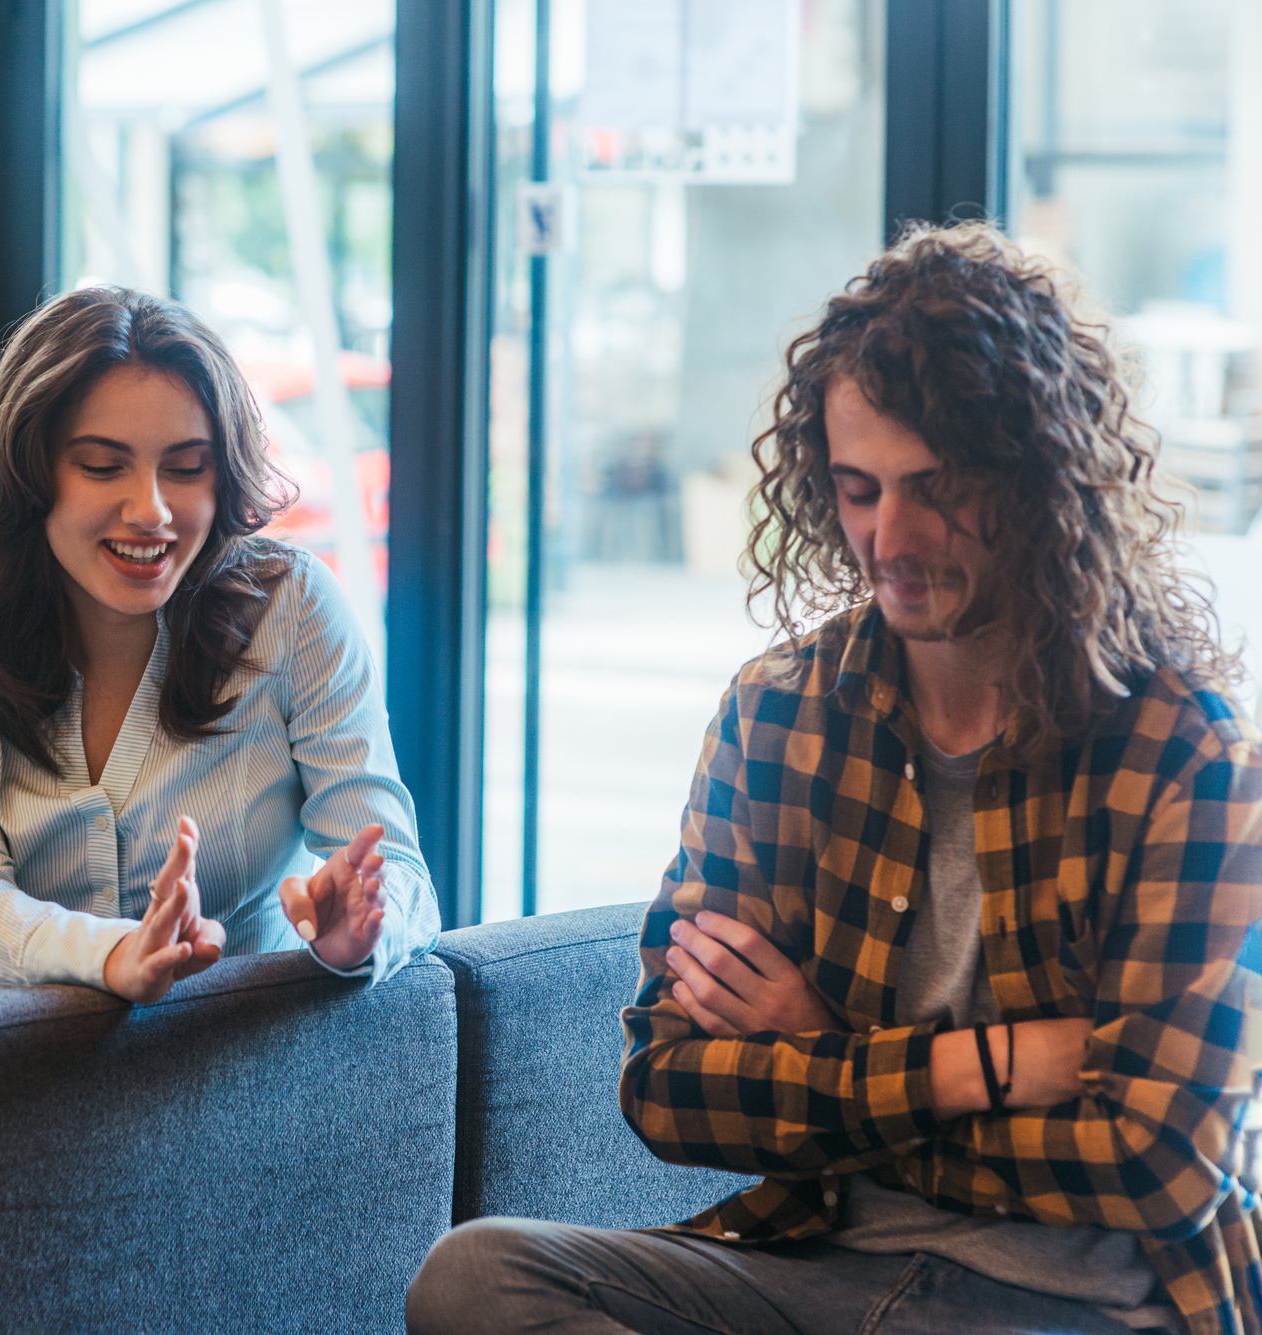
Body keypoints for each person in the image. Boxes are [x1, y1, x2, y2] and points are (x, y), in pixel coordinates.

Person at [407, 223, 1262, 1335]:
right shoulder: (782, 713)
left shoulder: (1181, 755)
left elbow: (1159, 1167)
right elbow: (666, 1089)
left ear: (1041, 484)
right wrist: (983, 1067)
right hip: (813, 1265)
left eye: (932, 489)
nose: (886, 538)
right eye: (856, 489)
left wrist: (822, 1059)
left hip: (1070, 1304)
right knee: (476, 1279)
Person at [0, 285, 438, 1001]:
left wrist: (360, 932)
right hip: (25, 1079)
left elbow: (398, 868)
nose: (151, 509)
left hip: (243, 1071)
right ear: (31, 474)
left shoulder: (292, 606)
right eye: (101, 465)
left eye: (187, 468)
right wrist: (117, 950)